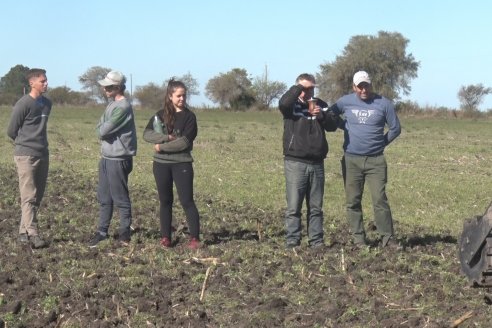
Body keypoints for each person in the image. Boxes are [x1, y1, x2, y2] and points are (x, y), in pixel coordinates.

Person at [329, 71, 401, 248]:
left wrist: (382, 143)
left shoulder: (384, 104)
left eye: (366, 85)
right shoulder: (345, 101)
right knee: (353, 200)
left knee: (379, 199)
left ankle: (387, 237)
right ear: (354, 87)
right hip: (351, 160)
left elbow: (395, 128)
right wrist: (343, 125)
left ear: (370, 85)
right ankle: (359, 239)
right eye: (359, 86)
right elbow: (331, 115)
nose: (363, 90)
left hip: (375, 161)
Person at [278, 73, 340, 248]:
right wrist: (299, 89)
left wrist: (321, 115)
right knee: (294, 205)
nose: (308, 92)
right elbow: (283, 103)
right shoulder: (292, 106)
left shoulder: (321, 105)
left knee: (316, 207)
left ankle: (316, 241)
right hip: (295, 161)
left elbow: (333, 126)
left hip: (317, 163)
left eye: (311, 88)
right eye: (304, 88)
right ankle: (292, 240)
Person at [143, 79, 201, 249]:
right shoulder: (160, 115)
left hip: (181, 164)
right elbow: (147, 134)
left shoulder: (190, 117)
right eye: (178, 96)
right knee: (165, 201)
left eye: (184, 95)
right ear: (170, 96)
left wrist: (160, 147)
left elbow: (183, 143)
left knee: (187, 201)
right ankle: (165, 237)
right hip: (161, 165)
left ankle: (195, 238)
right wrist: (166, 137)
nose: (182, 99)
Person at [89, 70, 137, 247]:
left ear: (118, 87)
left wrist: (101, 128)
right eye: (105, 86)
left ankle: (125, 233)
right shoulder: (111, 105)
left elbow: (102, 130)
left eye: (109, 87)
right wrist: (101, 128)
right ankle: (102, 232)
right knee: (104, 196)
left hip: (118, 158)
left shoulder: (123, 107)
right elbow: (100, 128)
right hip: (107, 157)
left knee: (120, 197)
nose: (105, 89)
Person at [7, 68, 51, 249]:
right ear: (32, 83)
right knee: (29, 195)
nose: (46, 83)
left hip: (43, 153)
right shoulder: (23, 103)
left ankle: (22, 232)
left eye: (46, 80)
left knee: (36, 196)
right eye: (42, 81)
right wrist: (25, 144)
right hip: (26, 155)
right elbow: (11, 131)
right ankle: (33, 234)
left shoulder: (48, 103)